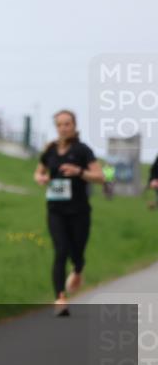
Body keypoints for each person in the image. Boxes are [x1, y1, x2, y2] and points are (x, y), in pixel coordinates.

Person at [33, 110, 104, 317]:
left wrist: (79, 172)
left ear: (74, 125)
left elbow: (100, 177)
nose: (64, 128)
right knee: (60, 250)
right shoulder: (50, 150)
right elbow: (39, 171)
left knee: (77, 253)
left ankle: (78, 270)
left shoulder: (83, 151)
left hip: (79, 211)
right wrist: (41, 178)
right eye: (60, 124)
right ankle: (60, 298)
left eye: (67, 124)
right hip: (56, 210)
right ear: (56, 127)